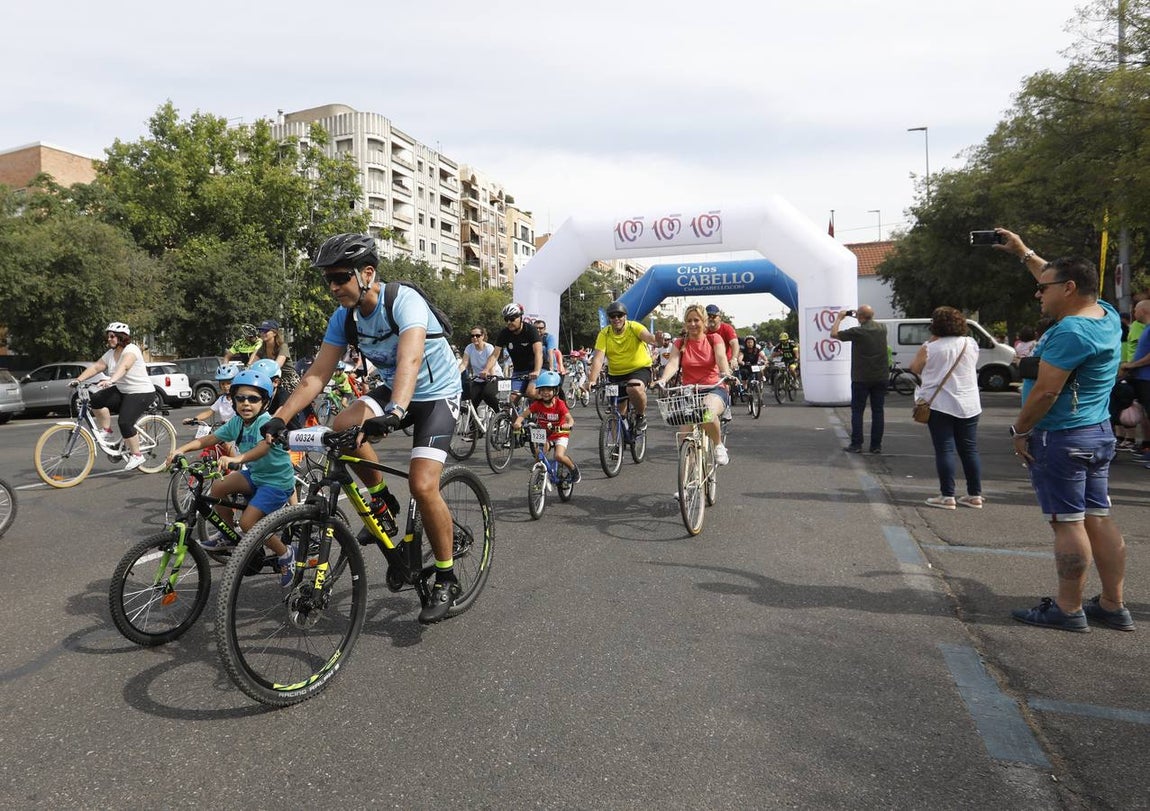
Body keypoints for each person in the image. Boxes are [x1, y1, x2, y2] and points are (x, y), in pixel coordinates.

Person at [261, 233, 463, 624]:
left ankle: (445, 575)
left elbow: (410, 358)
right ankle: (382, 500)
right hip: (395, 392)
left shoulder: (403, 301)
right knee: (342, 425)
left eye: (340, 277)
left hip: (436, 392)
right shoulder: (344, 317)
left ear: (367, 273)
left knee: (423, 485)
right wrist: (280, 417)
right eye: (328, 281)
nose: (334, 287)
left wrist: (395, 411)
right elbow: (317, 374)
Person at [995, 228, 1133, 633]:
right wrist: (1024, 252)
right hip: (1097, 432)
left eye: (1044, 290)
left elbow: (1047, 391)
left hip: (1063, 437)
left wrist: (1019, 430)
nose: (1038, 294)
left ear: (1069, 289)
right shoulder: (1103, 313)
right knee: (1098, 518)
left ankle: (1068, 608)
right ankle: (1112, 604)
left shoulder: (1070, 332)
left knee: (1068, 523)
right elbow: (1055, 276)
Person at [167, 369, 297, 585]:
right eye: (240, 398)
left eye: (253, 399)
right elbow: (210, 439)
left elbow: (263, 449)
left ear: (264, 402)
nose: (246, 403)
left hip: (276, 482)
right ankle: (228, 535)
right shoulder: (237, 423)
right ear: (233, 400)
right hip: (256, 476)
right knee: (218, 486)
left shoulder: (265, 422)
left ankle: (285, 553)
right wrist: (181, 449)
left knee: (248, 523)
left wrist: (239, 459)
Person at [908, 307, 983, 509]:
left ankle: (947, 496)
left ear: (935, 325)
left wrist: (932, 340)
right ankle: (975, 494)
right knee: (969, 449)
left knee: (945, 449)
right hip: (969, 403)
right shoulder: (971, 343)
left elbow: (914, 368)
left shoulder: (930, 347)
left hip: (940, 404)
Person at [653, 303, 734, 465]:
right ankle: (688, 485)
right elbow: (673, 364)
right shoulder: (680, 343)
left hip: (714, 388)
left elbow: (721, 359)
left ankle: (718, 445)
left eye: (696, 320)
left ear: (704, 322)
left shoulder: (714, 339)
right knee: (685, 439)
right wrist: (662, 379)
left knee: (707, 412)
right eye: (689, 320)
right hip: (689, 391)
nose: (692, 324)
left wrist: (726, 373)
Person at [70, 322, 156, 471]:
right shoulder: (110, 354)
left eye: (112, 336)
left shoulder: (131, 350)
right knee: (96, 399)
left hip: (141, 392)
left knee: (125, 422)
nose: (108, 339)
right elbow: (96, 367)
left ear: (121, 338)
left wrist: (111, 380)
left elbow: (125, 366)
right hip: (123, 390)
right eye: (108, 336)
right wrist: (78, 380)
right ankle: (107, 430)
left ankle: (137, 455)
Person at [584, 300, 659, 430]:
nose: (616, 318)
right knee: (616, 413)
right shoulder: (605, 333)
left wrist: (657, 340)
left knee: (633, 388)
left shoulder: (634, 327)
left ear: (625, 316)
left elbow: (648, 337)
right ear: (609, 318)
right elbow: (598, 359)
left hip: (639, 370)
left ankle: (640, 415)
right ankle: (615, 447)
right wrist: (591, 380)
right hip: (616, 374)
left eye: (619, 315)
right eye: (613, 316)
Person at [832, 305, 889, 454]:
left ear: (861, 317)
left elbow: (834, 334)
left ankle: (856, 444)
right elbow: (867, 319)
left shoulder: (857, 331)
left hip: (861, 377)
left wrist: (840, 318)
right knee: (878, 412)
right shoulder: (882, 328)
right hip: (880, 376)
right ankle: (876, 446)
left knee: (857, 411)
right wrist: (859, 315)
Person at [513, 370, 580, 482]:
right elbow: (523, 415)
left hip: (560, 433)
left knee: (558, 456)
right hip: (545, 435)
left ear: (556, 390)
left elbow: (570, 418)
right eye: (542, 390)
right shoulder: (537, 404)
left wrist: (569, 425)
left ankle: (573, 469)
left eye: (549, 389)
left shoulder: (560, 404)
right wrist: (518, 422)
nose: (545, 392)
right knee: (539, 455)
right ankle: (538, 476)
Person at [484, 303, 542, 402]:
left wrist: (536, 371)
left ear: (520, 317)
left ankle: (547, 405)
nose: (509, 322)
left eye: (512, 319)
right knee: (513, 399)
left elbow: (538, 353)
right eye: (506, 319)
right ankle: (517, 418)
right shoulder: (504, 333)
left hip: (536, 368)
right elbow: (495, 355)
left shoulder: (531, 330)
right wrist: (486, 369)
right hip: (519, 371)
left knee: (531, 392)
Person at [459, 325, 501, 416]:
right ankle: (474, 429)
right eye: (472, 336)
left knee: (487, 394)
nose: (475, 338)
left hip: (492, 377)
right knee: (470, 402)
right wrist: (456, 373)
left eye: (477, 335)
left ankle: (499, 414)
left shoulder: (488, 347)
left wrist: (489, 374)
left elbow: (492, 365)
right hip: (478, 379)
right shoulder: (469, 348)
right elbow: (463, 364)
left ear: (482, 336)